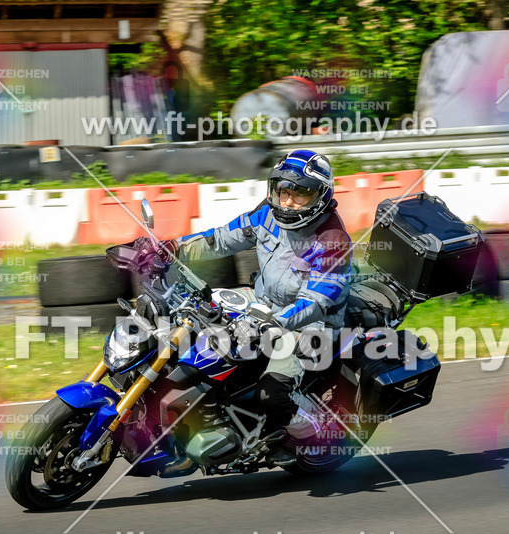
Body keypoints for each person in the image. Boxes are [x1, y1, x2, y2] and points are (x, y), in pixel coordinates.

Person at [135, 149, 352, 462]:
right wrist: (173, 249)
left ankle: (310, 433)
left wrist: (274, 323)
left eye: (299, 195)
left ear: (319, 197)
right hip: (262, 302)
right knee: (193, 318)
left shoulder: (332, 240)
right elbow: (222, 239)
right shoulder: (267, 213)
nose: (287, 202)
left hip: (309, 326)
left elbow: (317, 300)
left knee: (273, 392)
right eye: (282, 192)